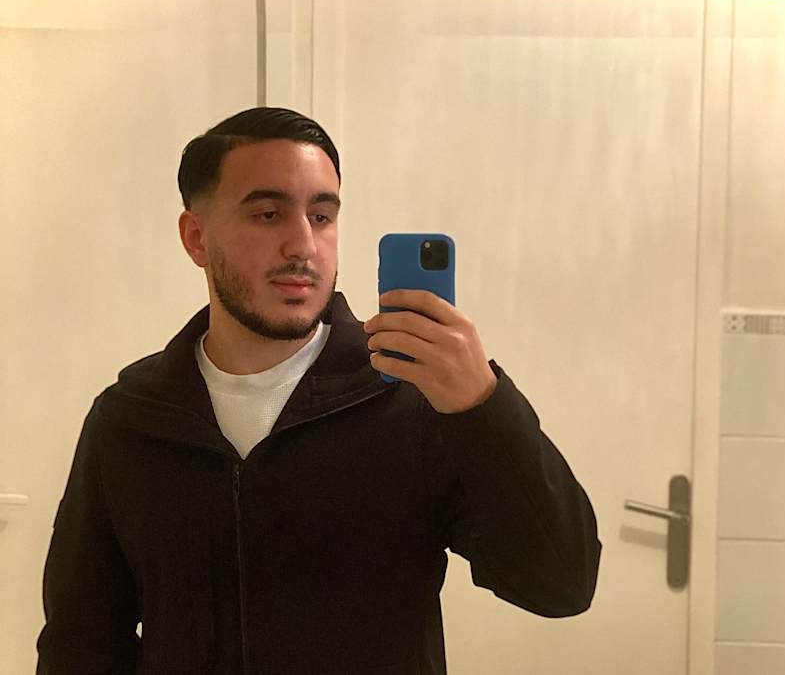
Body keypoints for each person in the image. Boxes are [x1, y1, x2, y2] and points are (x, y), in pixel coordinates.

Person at [36, 107, 602, 674]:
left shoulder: (412, 401)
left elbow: (561, 584)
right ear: (197, 237)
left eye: (322, 216)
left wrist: (482, 405)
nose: (303, 245)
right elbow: (81, 640)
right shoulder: (132, 418)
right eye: (268, 214)